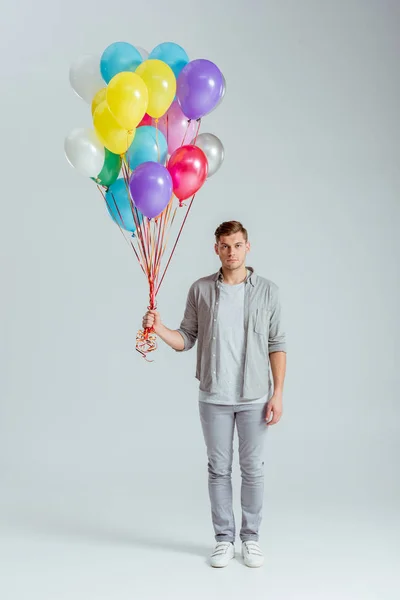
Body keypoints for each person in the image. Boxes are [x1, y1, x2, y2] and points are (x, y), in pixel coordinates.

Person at [142, 220, 287, 568]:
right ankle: (224, 540)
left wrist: (278, 393)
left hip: (254, 397)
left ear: (247, 247)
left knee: (252, 469)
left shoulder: (268, 291)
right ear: (216, 248)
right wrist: (157, 327)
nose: (231, 252)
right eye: (225, 245)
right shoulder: (201, 290)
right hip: (214, 396)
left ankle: (250, 539)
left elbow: (277, 343)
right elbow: (185, 339)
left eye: (237, 245)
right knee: (218, 470)